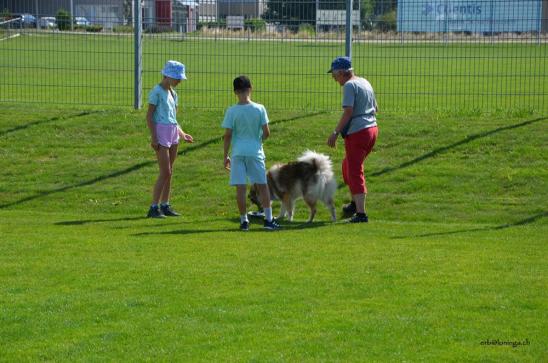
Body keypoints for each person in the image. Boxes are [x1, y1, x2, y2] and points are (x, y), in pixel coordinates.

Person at [222, 75, 280, 231]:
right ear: (250, 89)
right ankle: (268, 220)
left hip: (238, 152)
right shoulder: (259, 108)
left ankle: (244, 220)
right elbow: (267, 132)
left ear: (235, 92)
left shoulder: (231, 111)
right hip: (255, 151)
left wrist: (225, 155)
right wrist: (258, 141)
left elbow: (227, 135)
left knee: (240, 188)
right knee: (262, 186)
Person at [326, 56, 378, 223]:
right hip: (372, 129)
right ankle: (355, 203)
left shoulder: (349, 85)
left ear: (342, 72)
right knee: (347, 165)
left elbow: (348, 111)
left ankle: (361, 214)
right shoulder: (364, 81)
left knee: (355, 170)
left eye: (334, 74)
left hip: (359, 132)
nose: (333, 78)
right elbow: (376, 108)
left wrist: (335, 132)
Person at [146, 60, 194, 218]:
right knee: (164, 171)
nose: (179, 81)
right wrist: (154, 137)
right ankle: (153, 207)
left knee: (170, 172)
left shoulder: (174, 94)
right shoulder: (156, 91)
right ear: (166, 76)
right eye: (176, 78)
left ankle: (165, 204)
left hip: (173, 132)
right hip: (161, 132)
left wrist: (182, 133)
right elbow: (150, 116)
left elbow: (173, 118)